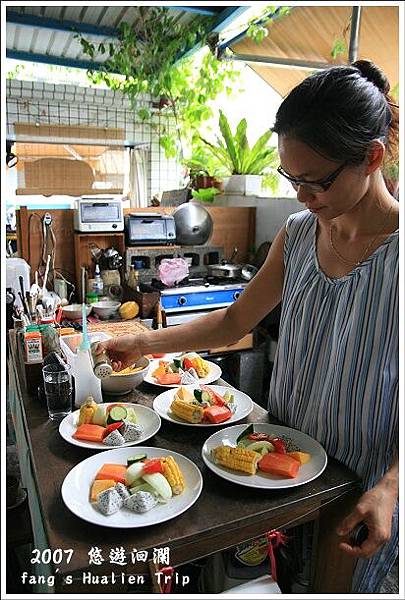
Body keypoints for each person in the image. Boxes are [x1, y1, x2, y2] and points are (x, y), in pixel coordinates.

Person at [96, 60, 398, 593]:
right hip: (279, 466)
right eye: (291, 180)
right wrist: (143, 340)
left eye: (315, 182)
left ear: (372, 157)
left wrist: (393, 487)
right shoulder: (300, 234)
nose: (302, 197)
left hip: (361, 492)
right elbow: (236, 319)